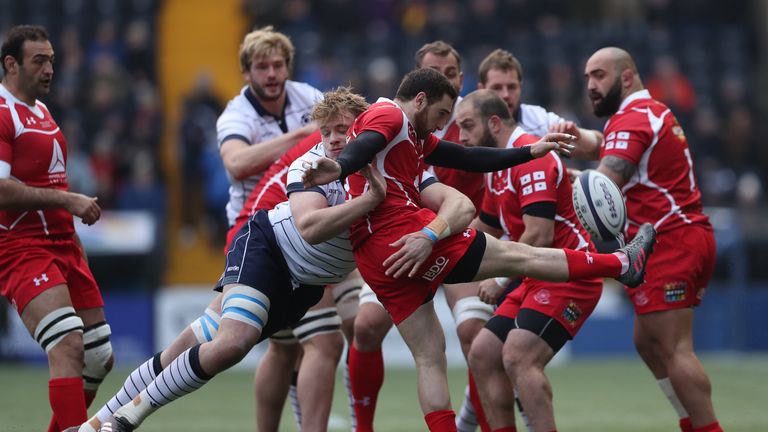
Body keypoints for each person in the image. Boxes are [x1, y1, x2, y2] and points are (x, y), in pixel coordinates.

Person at [302, 67, 656, 432]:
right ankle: (620, 262)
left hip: (376, 255)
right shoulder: (390, 114)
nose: (442, 125)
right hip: (402, 233)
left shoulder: (412, 134)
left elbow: (467, 158)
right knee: (520, 256)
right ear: (420, 100)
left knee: (429, 356)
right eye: (441, 114)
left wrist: (529, 151)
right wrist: (342, 166)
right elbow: (366, 145)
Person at [72, 88, 396, 432]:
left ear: (362, 128)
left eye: (342, 130)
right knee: (234, 344)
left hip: (304, 285)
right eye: (326, 131)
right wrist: (371, 201)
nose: (333, 139)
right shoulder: (310, 165)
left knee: (187, 346)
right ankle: (124, 421)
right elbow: (310, 229)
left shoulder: (385, 169)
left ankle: (93, 425)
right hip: (269, 249)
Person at [554, 47, 721, 432]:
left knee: (675, 349)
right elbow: (608, 143)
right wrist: (579, 139)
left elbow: (602, 186)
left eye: (599, 76)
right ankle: (691, 423)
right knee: (647, 342)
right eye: (587, 79)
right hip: (677, 237)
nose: (591, 86)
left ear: (626, 77)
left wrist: (556, 172)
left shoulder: (631, 119)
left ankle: (706, 426)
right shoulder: (648, 112)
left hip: (669, 241)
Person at [348, 41, 496, 432]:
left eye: (449, 73)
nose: (444, 79)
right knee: (365, 326)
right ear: (418, 88)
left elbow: (486, 163)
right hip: (408, 233)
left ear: (460, 80)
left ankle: (468, 419)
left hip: (462, 229)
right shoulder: (403, 128)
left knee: (474, 335)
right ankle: (361, 425)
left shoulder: (479, 114)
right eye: (435, 73)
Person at [457, 90, 602, 432]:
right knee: (483, 353)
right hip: (535, 274)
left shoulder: (532, 157)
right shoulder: (499, 164)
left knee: (518, 356)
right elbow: (486, 227)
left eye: (467, 125)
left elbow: (538, 235)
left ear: (494, 122)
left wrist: (498, 280)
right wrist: (434, 243)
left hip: (569, 274)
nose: (460, 137)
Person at [0, 25, 113, 432]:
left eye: (51, 60)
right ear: (11, 63)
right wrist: (69, 201)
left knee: (100, 358)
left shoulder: (41, 111)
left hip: (64, 243)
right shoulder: (0, 112)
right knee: (66, 343)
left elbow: (50, 181)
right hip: (21, 245)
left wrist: (73, 238)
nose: (49, 69)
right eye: (39, 61)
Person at [216, 26, 324, 431]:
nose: (272, 73)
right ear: (247, 72)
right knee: (310, 341)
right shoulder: (236, 114)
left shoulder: (307, 96)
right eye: (262, 66)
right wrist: (300, 137)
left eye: (278, 64)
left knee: (288, 345)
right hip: (257, 233)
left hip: (305, 225)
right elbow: (237, 163)